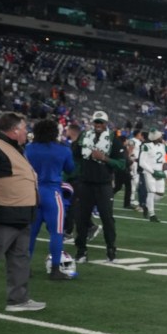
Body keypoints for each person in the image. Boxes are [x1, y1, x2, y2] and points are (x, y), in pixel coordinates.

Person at [0, 112, 46, 311]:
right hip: (3, 214)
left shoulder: (14, 148)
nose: (27, 132)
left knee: (19, 257)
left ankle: (18, 300)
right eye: (24, 128)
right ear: (14, 130)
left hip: (20, 214)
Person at [25, 118, 76, 281]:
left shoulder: (29, 148)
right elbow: (70, 169)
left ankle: (24, 268)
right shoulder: (63, 149)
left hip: (32, 193)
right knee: (56, 233)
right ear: (55, 132)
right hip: (53, 193)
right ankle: (55, 269)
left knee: (30, 233)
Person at [73, 111, 126, 263]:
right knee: (82, 218)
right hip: (85, 183)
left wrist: (104, 158)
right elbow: (75, 155)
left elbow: (122, 164)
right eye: (96, 122)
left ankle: (111, 248)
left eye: (101, 122)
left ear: (106, 123)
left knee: (107, 218)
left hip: (104, 184)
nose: (98, 125)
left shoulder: (114, 140)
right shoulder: (84, 136)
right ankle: (81, 250)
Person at [138, 128, 167, 223]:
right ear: (156, 137)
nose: (162, 137)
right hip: (149, 173)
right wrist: (152, 171)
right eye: (160, 136)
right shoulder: (146, 146)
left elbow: (163, 161)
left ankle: (147, 205)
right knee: (151, 192)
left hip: (159, 173)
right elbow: (141, 162)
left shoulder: (162, 146)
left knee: (160, 194)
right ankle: (152, 214)